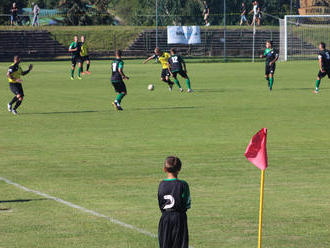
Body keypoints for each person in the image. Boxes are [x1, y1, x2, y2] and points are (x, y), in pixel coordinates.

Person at [158, 156, 191, 248]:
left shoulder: (161, 184)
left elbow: (160, 203)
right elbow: (187, 204)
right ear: (179, 169)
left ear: (165, 169)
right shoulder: (183, 184)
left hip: (165, 218)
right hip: (179, 218)